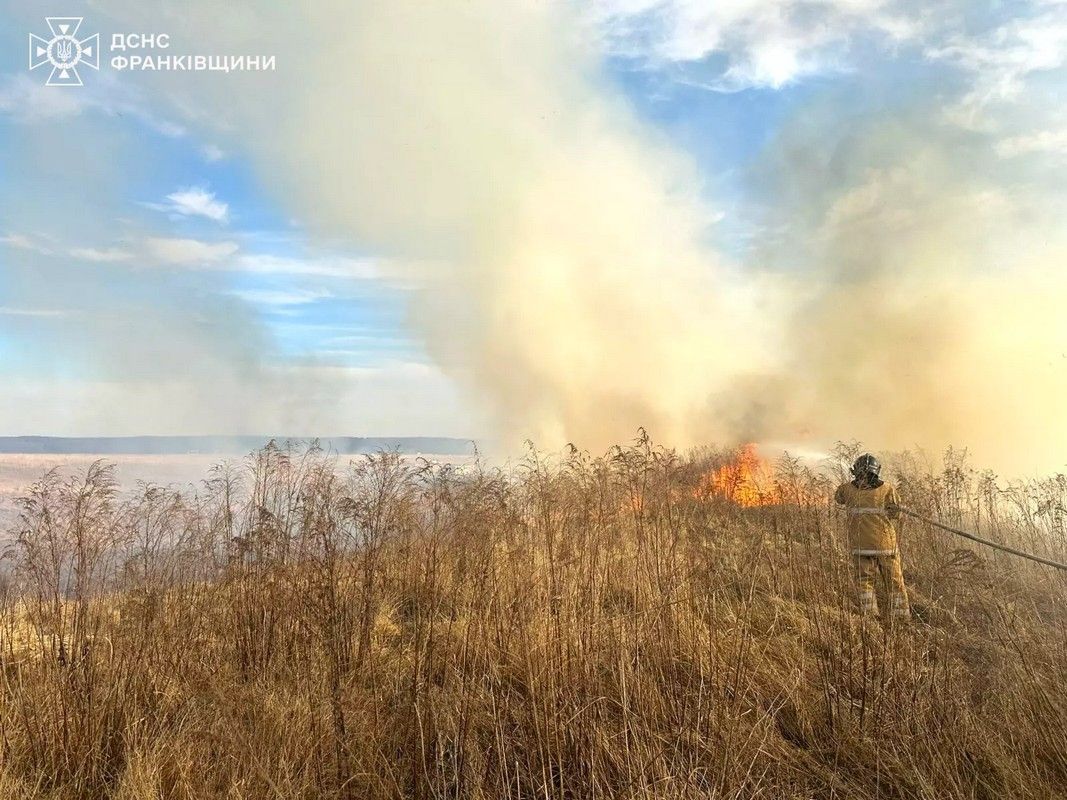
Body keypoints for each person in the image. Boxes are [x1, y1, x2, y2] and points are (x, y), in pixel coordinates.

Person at [834, 454, 910, 620]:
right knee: (895, 583)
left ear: (856, 472)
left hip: (861, 547)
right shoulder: (888, 489)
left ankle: (870, 618)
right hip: (886, 547)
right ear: (877, 472)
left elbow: (838, 498)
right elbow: (896, 514)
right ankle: (902, 620)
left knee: (864, 583)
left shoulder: (847, 489)